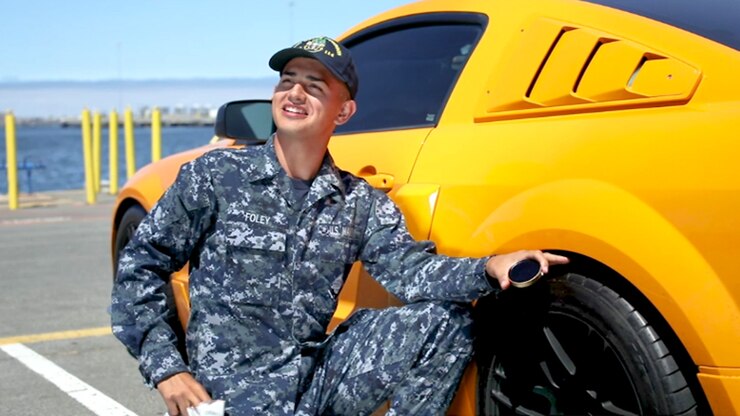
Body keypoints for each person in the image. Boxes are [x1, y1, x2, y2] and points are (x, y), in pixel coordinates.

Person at [111, 35, 569, 416]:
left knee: (446, 321)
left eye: (314, 86)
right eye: (286, 81)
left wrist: (491, 268)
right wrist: (169, 369)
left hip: (313, 387)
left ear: (343, 111)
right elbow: (140, 266)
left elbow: (411, 272)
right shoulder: (216, 176)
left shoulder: (358, 203)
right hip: (230, 399)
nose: (294, 94)